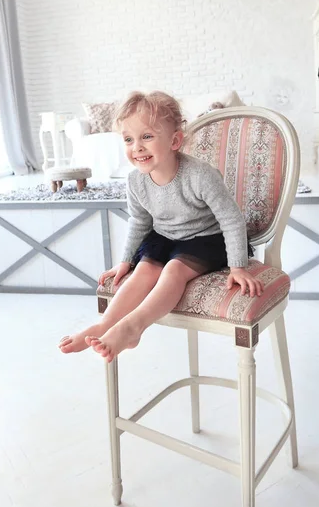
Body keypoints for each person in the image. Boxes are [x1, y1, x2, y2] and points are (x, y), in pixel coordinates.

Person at [59, 90, 262, 362]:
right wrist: (125, 261)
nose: (137, 147)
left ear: (175, 140)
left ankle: (133, 327)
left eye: (147, 137)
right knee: (143, 269)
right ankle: (104, 323)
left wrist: (238, 266)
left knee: (174, 270)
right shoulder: (135, 181)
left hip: (206, 238)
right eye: (129, 139)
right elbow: (140, 221)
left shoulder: (201, 175)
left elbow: (231, 218)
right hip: (166, 237)